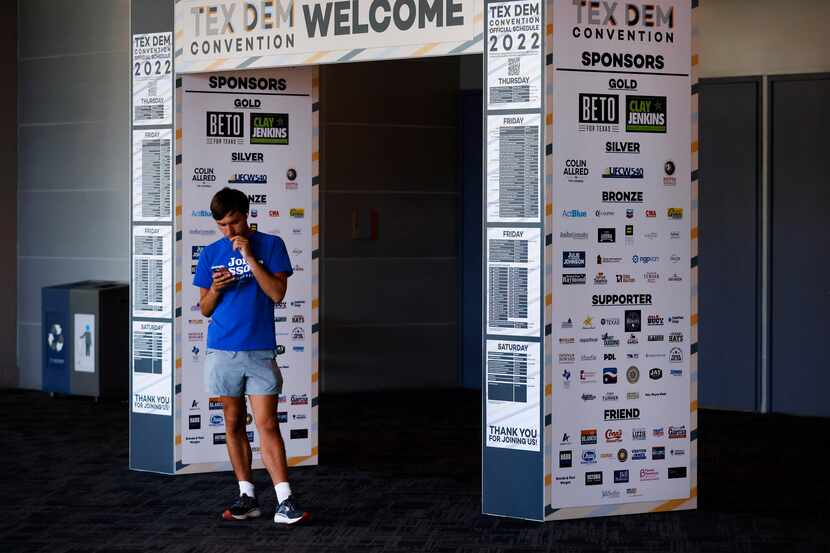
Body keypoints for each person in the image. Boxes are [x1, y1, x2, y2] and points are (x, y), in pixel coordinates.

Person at [193, 187, 308, 525]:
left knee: (268, 423)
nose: (229, 231)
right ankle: (247, 496)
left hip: (259, 350)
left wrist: (249, 259)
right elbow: (203, 308)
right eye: (222, 225)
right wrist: (216, 288)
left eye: (233, 222)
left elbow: (276, 293)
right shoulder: (211, 253)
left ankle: (285, 501)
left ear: (247, 215)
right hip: (222, 349)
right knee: (232, 423)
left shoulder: (271, 245)